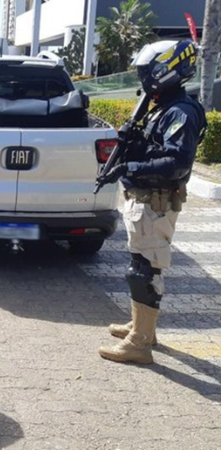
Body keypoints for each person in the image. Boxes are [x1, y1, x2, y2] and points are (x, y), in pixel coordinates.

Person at [97, 40, 207, 364]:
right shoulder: (162, 107)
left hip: (155, 202)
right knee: (142, 264)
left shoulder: (180, 112)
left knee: (143, 271)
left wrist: (129, 167)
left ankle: (139, 343)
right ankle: (142, 327)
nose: (144, 79)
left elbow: (177, 162)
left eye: (148, 72)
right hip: (144, 200)